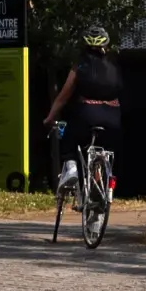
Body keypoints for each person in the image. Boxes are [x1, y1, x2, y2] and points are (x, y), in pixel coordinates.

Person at [43, 28, 125, 185]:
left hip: (88, 114)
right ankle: (103, 179)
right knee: (106, 148)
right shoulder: (115, 66)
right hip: (113, 116)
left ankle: (71, 167)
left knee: (70, 136)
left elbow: (63, 97)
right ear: (106, 47)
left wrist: (50, 117)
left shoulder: (80, 66)